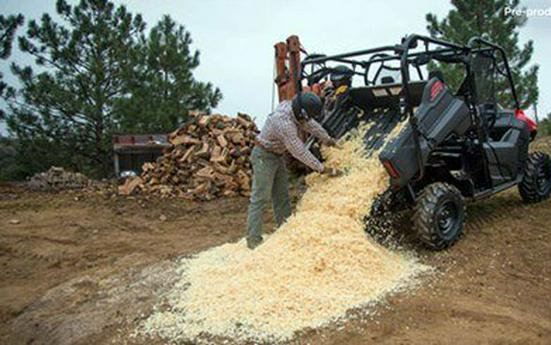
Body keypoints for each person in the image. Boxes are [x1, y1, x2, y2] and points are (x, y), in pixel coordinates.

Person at [246, 92, 341, 249]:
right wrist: (322, 169)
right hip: (263, 156)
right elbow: (299, 151)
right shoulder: (284, 123)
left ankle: (286, 232)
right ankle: (253, 241)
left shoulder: (296, 111)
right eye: (306, 116)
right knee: (260, 198)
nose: (307, 120)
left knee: (281, 196)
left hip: (276, 155)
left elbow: (311, 125)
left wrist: (328, 140)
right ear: (301, 112)